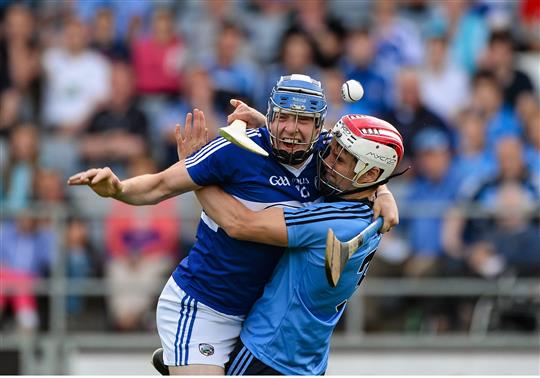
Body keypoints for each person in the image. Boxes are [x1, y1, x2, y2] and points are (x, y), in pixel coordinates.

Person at [68, 74, 399, 374]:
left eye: (303, 121)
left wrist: (383, 190)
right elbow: (158, 185)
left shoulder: (325, 156)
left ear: (318, 126)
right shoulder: (232, 150)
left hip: (256, 317)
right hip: (205, 306)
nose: (291, 129)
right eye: (283, 117)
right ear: (270, 115)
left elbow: (360, 157)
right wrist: (119, 189)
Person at [186, 114, 403, 375]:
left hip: (269, 352)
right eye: (333, 151)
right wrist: (384, 191)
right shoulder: (367, 207)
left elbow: (240, 224)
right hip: (309, 359)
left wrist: (196, 169)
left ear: (370, 175)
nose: (326, 161)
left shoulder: (335, 222)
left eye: (339, 159)